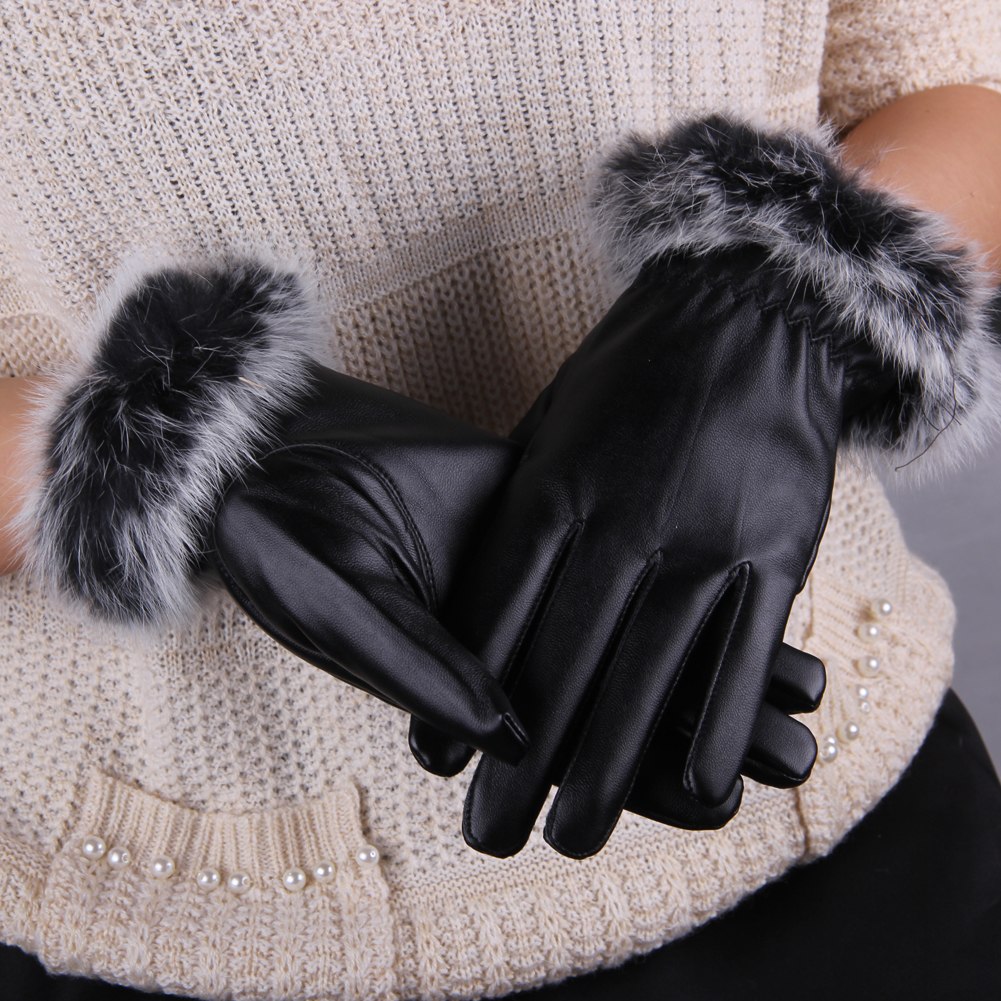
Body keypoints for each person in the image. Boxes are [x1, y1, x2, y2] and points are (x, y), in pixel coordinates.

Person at [0, 3, 999, 999]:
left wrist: (782, 297)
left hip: (838, 818)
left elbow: (953, 80)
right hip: (187, 901)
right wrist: (161, 449)